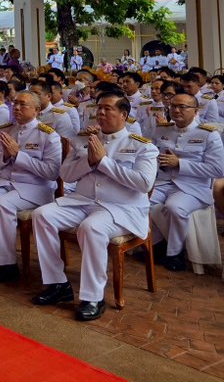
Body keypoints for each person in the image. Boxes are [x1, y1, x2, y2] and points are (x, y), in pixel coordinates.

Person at [31, 92, 158, 322]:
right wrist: (89, 161)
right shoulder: (83, 140)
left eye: (108, 108)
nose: (100, 112)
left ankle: (93, 297)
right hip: (83, 201)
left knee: (91, 228)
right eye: (99, 108)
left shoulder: (142, 146)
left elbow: (144, 183)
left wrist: (104, 162)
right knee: (42, 215)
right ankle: (57, 283)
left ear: (124, 114)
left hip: (121, 208)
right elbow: (66, 175)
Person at [0, 91, 62, 282]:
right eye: (15, 103)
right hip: (5, 181)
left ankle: (7, 264)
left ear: (36, 110)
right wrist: (6, 156)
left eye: (22, 105)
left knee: (2, 204)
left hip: (35, 187)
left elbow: (51, 173)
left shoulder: (48, 135)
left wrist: (19, 156)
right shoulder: (6, 130)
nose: (16, 108)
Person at [149, 93, 224, 271]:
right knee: (142, 203)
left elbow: (218, 170)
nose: (176, 110)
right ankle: (157, 245)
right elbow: (151, 155)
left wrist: (180, 163)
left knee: (175, 207)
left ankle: (175, 254)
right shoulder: (162, 129)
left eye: (183, 107)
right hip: (164, 182)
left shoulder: (208, 135)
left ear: (196, 111)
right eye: (173, 106)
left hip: (194, 187)